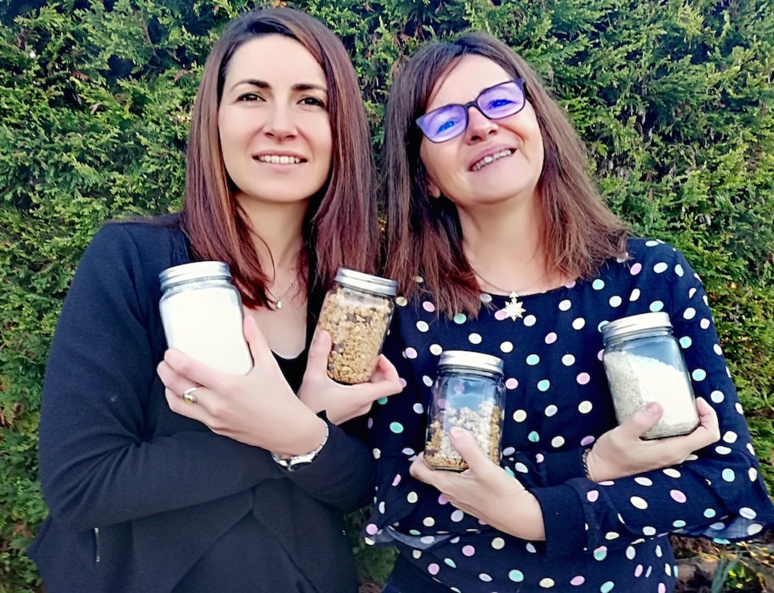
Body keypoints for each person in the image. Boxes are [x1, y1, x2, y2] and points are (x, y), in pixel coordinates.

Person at [365, 31, 774, 592]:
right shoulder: (408, 308)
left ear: (538, 122)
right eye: (446, 121)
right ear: (426, 176)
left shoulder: (648, 279)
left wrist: (539, 514)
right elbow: (403, 500)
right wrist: (591, 467)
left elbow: (724, 479)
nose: (481, 126)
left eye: (499, 100)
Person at [28, 8, 401, 593]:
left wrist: (302, 434)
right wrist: (292, 430)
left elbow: (359, 483)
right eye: (252, 96)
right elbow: (83, 485)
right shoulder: (133, 260)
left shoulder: (356, 296)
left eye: (310, 100)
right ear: (215, 119)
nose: (281, 125)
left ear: (342, 130)